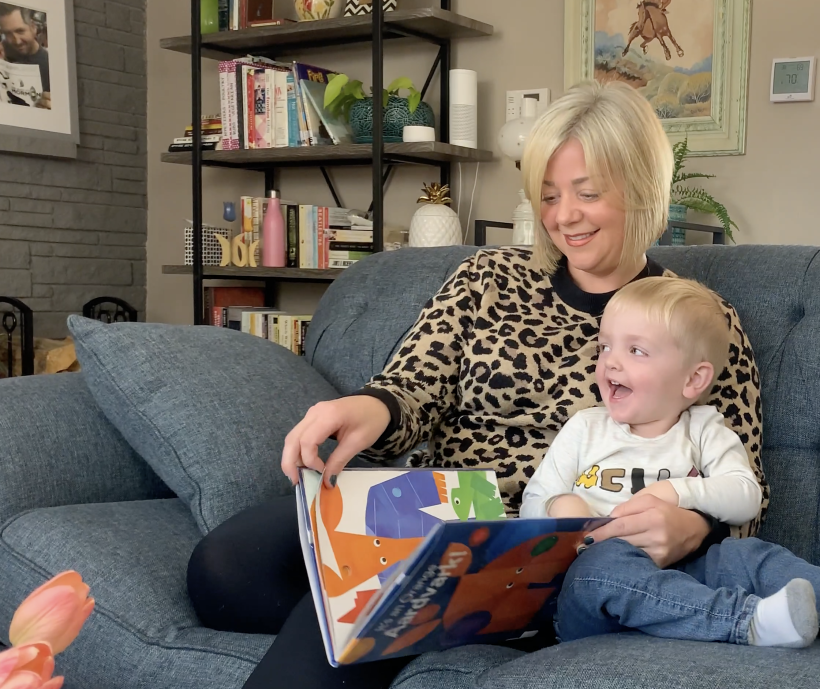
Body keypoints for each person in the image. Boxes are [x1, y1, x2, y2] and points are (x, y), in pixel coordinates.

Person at [186, 80, 767, 689]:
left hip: (559, 551)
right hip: (439, 508)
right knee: (223, 572)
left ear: (643, 190)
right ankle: (430, 618)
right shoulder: (487, 277)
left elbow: (744, 485)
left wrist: (696, 527)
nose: (562, 217)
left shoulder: (699, 321)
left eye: (587, 194)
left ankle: (439, 615)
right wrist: (367, 407)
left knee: (360, 602)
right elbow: (411, 384)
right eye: (547, 195)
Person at [522, 277, 820, 651]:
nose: (610, 362)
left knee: (749, 556)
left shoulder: (703, 428)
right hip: (589, 593)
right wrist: (559, 507)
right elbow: (533, 498)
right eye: (605, 345)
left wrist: (678, 491)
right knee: (603, 568)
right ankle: (746, 621)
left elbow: (744, 495)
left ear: (693, 381)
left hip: (685, 567)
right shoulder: (585, 428)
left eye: (636, 350)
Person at [0, 3, 50, 109]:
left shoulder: (50, 64)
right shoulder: (2, 50)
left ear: (33, 27)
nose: (16, 41)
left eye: (20, 31)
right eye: (8, 33)